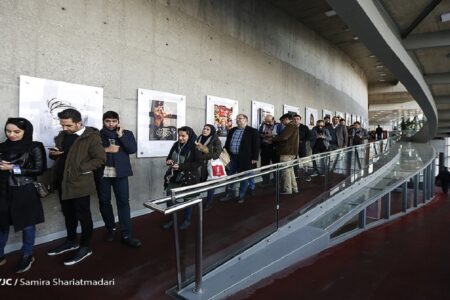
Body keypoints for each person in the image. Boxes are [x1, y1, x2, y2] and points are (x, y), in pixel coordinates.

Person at [47, 109, 105, 266]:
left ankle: (85, 247)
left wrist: (79, 168)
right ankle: (71, 241)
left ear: (79, 123)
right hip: (61, 181)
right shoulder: (62, 136)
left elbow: (100, 159)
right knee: (68, 214)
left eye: (68, 125)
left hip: (80, 183)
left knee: (83, 216)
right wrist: (54, 154)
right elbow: (61, 155)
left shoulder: (91, 137)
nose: (64, 128)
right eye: (62, 125)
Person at [0, 118, 46, 273]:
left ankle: (27, 255)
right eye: (8, 131)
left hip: (24, 190)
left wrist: (13, 168)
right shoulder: (2, 146)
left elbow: (39, 170)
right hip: (3, 190)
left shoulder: (34, 146)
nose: (11, 134)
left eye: (16, 131)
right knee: (2, 224)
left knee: (27, 224)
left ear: (26, 131)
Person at [95, 111, 141, 247]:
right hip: (102, 173)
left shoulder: (127, 133)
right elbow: (91, 152)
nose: (111, 124)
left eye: (114, 121)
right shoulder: (96, 135)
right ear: (103, 121)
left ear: (118, 121)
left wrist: (121, 136)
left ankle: (127, 233)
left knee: (123, 202)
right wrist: (106, 149)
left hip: (120, 173)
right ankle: (111, 228)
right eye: (108, 121)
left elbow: (132, 149)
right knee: (104, 202)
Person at [162, 126, 202, 230]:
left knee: (187, 200)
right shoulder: (176, 144)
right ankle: (172, 220)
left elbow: (198, 163)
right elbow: (169, 156)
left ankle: (186, 220)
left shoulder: (195, 146)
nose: (180, 138)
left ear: (190, 135)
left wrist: (181, 166)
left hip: (189, 177)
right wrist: (169, 161)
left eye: (183, 136)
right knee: (170, 198)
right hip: (174, 176)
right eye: (179, 135)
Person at [221, 114, 259, 203]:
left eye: (240, 118)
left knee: (244, 177)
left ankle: (241, 196)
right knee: (230, 176)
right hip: (232, 157)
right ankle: (229, 194)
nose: (238, 120)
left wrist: (255, 157)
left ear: (246, 120)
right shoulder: (232, 130)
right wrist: (225, 152)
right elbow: (227, 142)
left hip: (246, 158)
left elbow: (256, 145)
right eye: (237, 118)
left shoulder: (252, 131)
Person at [195, 124, 222, 211]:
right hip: (198, 165)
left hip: (209, 165)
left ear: (212, 131)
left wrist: (203, 153)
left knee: (210, 184)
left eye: (207, 129)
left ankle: (209, 203)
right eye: (204, 128)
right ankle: (195, 201)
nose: (205, 130)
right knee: (197, 183)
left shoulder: (215, 140)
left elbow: (217, 154)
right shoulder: (199, 138)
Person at [273, 114, 299, 194]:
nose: (282, 123)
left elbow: (284, 137)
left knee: (286, 171)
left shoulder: (290, 126)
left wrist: (273, 138)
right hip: (291, 152)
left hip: (286, 152)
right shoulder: (294, 126)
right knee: (290, 171)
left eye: (282, 121)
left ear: (286, 119)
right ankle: (294, 188)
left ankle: (287, 189)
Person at [258, 115, 277, 185]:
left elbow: (280, 135)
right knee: (264, 165)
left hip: (274, 148)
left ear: (273, 120)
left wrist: (271, 136)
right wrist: (263, 135)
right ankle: (265, 181)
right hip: (265, 147)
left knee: (276, 165)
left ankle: (276, 181)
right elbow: (259, 133)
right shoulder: (263, 125)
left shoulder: (278, 125)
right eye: (266, 121)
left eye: (269, 121)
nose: (267, 123)